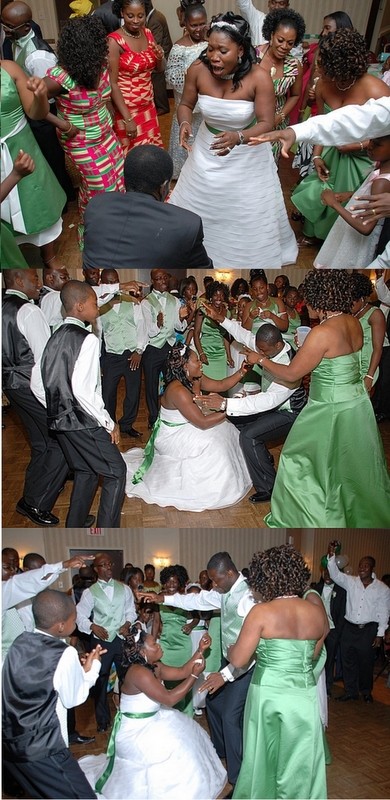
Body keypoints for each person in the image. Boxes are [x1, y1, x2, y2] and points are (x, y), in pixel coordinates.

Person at [243, 269, 390, 527]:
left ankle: (313, 515)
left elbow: (291, 374)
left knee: (296, 458)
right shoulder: (353, 321)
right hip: (355, 404)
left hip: (328, 407)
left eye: (309, 300)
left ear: (320, 300)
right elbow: (337, 359)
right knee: (348, 464)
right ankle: (352, 511)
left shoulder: (322, 332)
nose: (306, 305)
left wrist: (261, 360)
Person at [168, 12, 298, 268]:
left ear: (240, 50)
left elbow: (266, 123)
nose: (214, 56)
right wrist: (184, 122)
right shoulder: (197, 69)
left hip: (247, 155)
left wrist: (238, 137)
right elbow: (185, 103)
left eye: (222, 50)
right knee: (204, 204)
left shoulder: (259, 78)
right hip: (207, 150)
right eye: (211, 48)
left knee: (242, 212)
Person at [139, 551, 256, 790]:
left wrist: (226, 676)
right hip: (230, 661)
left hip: (248, 666)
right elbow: (195, 601)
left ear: (230, 573)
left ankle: (238, 777)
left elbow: (252, 650)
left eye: (216, 579)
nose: (213, 584)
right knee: (213, 703)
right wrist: (161, 599)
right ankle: (221, 750)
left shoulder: (249, 597)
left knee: (230, 715)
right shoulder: (225, 592)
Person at [78, 625, 227, 799]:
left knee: (185, 741)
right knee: (169, 747)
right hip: (135, 730)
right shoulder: (138, 672)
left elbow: (182, 671)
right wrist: (193, 677)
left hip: (154, 719)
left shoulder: (153, 666)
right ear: (142, 652)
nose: (159, 646)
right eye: (154, 645)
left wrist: (200, 650)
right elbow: (170, 698)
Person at [229, 544, 328, 800]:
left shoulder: (261, 612)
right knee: (299, 761)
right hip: (303, 696)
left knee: (263, 755)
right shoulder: (318, 614)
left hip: (268, 695)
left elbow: (239, 659)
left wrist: (230, 649)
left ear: (266, 578)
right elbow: (314, 655)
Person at [31, 280, 127, 528]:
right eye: (95, 304)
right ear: (80, 306)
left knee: (86, 471)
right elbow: (85, 391)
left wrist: (58, 407)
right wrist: (109, 422)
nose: (97, 309)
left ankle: (74, 525)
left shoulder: (53, 337)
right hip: (83, 421)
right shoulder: (88, 339)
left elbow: (37, 385)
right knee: (116, 472)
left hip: (59, 422)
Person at [2, 589, 104, 800]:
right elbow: (74, 698)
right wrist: (92, 669)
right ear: (60, 626)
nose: (75, 625)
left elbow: (43, 681)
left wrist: (78, 672)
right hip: (45, 748)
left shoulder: (20, 640)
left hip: (12, 745)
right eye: (74, 620)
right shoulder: (63, 652)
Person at [291, 28, 390, 244]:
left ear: (341, 66)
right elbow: (322, 126)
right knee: (320, 191)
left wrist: (357, 145)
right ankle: (314, 235)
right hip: (330, 153)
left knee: (349, 199)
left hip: (364, 157)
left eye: (323, 64)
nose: (317, 68)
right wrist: (316, 157)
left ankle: (335, 242)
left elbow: (387, 137)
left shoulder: (377, 90)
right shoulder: (323, 86)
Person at [123, 345, 252, 511]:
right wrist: (232, 407)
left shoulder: (194, 377)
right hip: (173, 434)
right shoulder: (178, 390)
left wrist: (243, 371)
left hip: (189, 424)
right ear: (185, 366)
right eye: (196, 360)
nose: (201, 363)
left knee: (227, 431)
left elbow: (220, 384)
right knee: (214, 443)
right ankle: (212, 488)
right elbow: (203, 422)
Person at [198, 316, 307, 504]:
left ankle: (269, 487)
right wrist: (221, 319)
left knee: (249, 436)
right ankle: (261, 459)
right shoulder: (268, 346)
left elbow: (267, 401)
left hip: (289, 412)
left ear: (279, 345)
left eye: (263, 351)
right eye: (259, 349)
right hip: (272, 406)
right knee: (237, 420)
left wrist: (225, 403)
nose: (260, 354)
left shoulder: (289, 366)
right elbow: (244, 335)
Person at [44, 15, 125, 246]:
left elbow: (106, 95)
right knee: (101, 186)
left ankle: (114, 228)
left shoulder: (101, 65)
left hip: (105, 133)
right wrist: (62, 124)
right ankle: (94, 235)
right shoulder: (61, 78)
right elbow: (31, 105)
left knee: (117, 180)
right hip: (80, 140)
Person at [2, 268, 70, 526]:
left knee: (42, 443)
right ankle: (36, 503)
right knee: (64, 443)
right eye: (34, 278)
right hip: (32, 386)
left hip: (12, 386)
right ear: (18, 280)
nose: (38, 283)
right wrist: (55, 399)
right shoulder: (30, 311)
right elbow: (45, 361)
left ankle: (29, 498)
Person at [83, 145, 213, 269]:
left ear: (125, 179)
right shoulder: (186, 224)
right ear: (164, 187)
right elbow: (204, 268)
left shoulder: (96, 204)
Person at [1, 1, 75, 204]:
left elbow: (47, 97)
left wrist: (60, 124)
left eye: (9, 27)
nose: (5, 30)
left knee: (53, 160)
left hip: (44, 117)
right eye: (3, 24)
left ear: (26, 27)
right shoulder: (16, 41)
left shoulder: (38, 56)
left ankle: (65, 201)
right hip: (30, 112)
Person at [1, 60, 66, 268]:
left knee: (38, 199)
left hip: (20, 143)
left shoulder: (9, 68)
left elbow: (35, 113)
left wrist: (39, 97)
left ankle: (49, 256)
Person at [76, 552, 137, 732]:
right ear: (96, 569)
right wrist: (92, 626)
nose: (109, 567)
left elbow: (131, 611)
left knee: (127, 678)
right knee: (100, 681)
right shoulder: (89, 593)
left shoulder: (124, 589)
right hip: (101, 641)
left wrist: (127, 623)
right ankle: (103, 721)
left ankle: (129, 716)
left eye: (110, 564)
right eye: (104, 565)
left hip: (120, 639)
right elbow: (79, 615)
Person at [314, 134, 390, 268]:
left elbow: (366, 227)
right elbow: (372, 197)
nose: (370, 146)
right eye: (371, 140)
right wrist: (349, 195)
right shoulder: (381, 170)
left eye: (377, 144)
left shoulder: (382, 182)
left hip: (358, 240)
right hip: (352, 230)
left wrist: (334, 204)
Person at [327, 550, 390, 703]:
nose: (362, 568)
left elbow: (384, 611)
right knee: (347, 661)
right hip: (349, 628)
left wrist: (380, 634)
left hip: (368, 630)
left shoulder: (382, 589)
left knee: (366, 662)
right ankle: (351, 691)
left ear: (372, 568)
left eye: (366, 566)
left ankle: (366, 691)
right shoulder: (351, 581)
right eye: (360, 565)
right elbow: (335, 574)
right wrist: (331, 555)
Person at [107, 0, 165, 155]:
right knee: (131, 156)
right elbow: (112, 83)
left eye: (141, 16)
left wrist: (160, 57)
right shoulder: (114, 41)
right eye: (130, 15)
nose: (136, 20)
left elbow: (159, 70)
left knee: (151, 154)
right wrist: (128, 119)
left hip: (148, 107)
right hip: (126, 110)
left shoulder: (147, 33)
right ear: (122, 13)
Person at [99, 268, 149, 439]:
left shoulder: (133, 302)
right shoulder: (98, 306)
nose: (112, 284)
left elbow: (142, 327)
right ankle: (110, 425)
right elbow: (97, 334)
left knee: (133, 393)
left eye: (114, 281)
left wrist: (139, 351)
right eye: (108, 282)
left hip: (132, 355)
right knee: (108, 393)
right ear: (101, 284)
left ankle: (127, 424)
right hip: (111, 356)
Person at [140, 268, 189, 427]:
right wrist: (158, 324)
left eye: (164, 278)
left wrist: (182, 319)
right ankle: (153, 417)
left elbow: (179, 327)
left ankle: (170, 413)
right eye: (158, 279)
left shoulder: (174, 301)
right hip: (152, 349)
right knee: (151, 385)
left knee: (172, 383)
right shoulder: (146, 302)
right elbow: (150, 332)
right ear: (153, 281)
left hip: (169, 347)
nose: (163, 281)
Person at [257, 8, 304, 163]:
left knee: (269, 163)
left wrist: (280, 117)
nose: (284, 46)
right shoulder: (255, 56)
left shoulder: (294, 65)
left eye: (290, 43)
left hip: (277, 122)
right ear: (271, 35)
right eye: (280, 40)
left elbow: (296, 95)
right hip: (251, 118)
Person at [165, 3, 207, 178]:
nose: (198, 29)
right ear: (185, 24)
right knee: (186, 137)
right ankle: (182, 176)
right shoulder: (179, 47)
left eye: (202, 24)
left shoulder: (211, 41)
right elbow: (171, 76)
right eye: (194, 25)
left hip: (207, 103)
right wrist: (193, 81)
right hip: (188, 104)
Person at [313, 563, 346, 698]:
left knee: (329, 659)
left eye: (330, 572)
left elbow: (342, 614)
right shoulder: (316, 588)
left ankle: (327, 686)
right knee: (315, 657)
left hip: (332, 631)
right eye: (325, 572)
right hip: (317, 631)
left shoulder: (342, 591)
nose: (327, 574)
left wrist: (337, 634)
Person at [349, 272, 386, 391]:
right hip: (352, 364)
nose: (349, 304)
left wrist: (369, 376)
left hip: (367, 366)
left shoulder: (375, 314)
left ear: (362, 298)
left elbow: (378, 348)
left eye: (352, 301)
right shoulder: (352, 314)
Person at [193, 281, 233, 380]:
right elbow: (196, 333)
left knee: (221, 383)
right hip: (205, 351)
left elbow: (226, 336)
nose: (218, 298)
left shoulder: (227, 313)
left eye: (221, 295)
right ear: (211, 296)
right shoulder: (202, 310)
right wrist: (201, 353)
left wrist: (229, 356)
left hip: (220, 354)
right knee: (204, 383)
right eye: (215, 295)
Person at [144, 0, 173, 116]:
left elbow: (155, 41)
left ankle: (163, 107)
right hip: (161, 52)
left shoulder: (155, 19)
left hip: (163, 54)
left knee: (157, 79)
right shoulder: (155, 15)